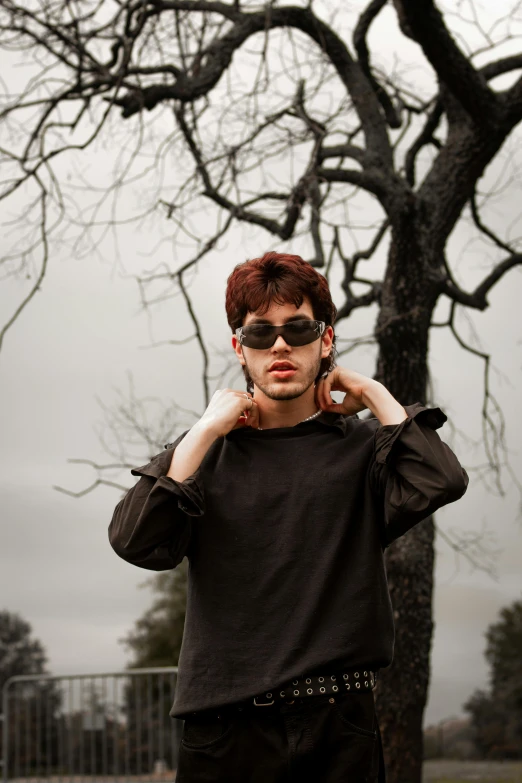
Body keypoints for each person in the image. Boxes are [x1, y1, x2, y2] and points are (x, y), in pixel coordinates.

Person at [109, 251, 469, 783]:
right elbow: (135, 540)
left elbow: (440, 480)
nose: (280, 344)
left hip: (339, 724)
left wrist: (371, 392)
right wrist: (204, 432)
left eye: (298, 328)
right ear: (239, 348)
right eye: (260, 333)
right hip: (223, 729)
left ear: (325, 341)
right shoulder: (202, 454)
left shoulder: (364, 450)